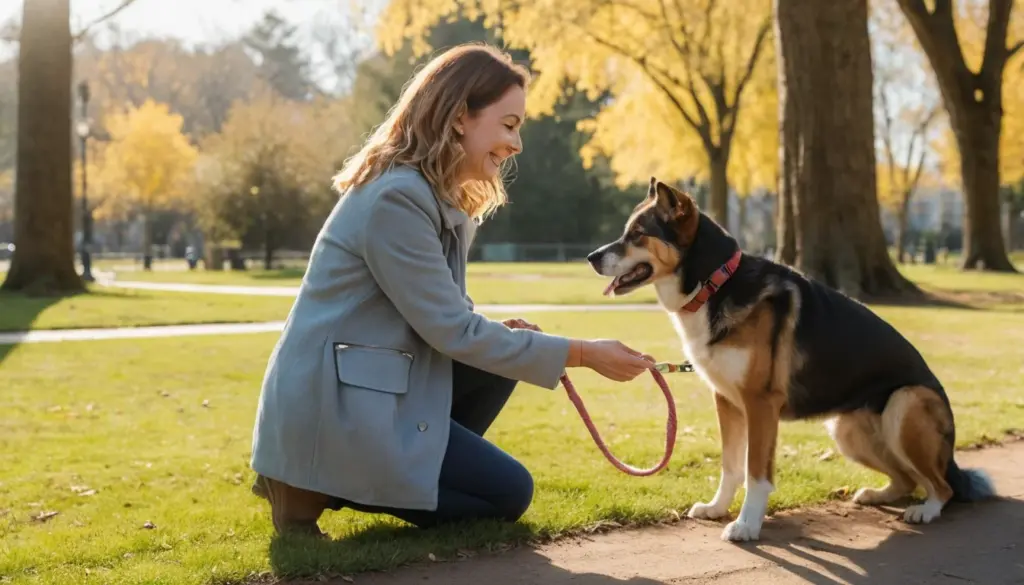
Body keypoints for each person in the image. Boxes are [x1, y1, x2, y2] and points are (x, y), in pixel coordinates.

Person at [249, 42, 656, 537]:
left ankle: (354, 477)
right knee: (508, 493)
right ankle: (315, 483)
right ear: (461, 116)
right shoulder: (396, 198)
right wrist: (585, 353)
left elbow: (447, 321)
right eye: (509, 125)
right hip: (334, 402)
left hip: (371, 385)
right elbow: (452, 331)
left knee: (499, 369)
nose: (517, 145)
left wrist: (514, 342)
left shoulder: (434, 199)